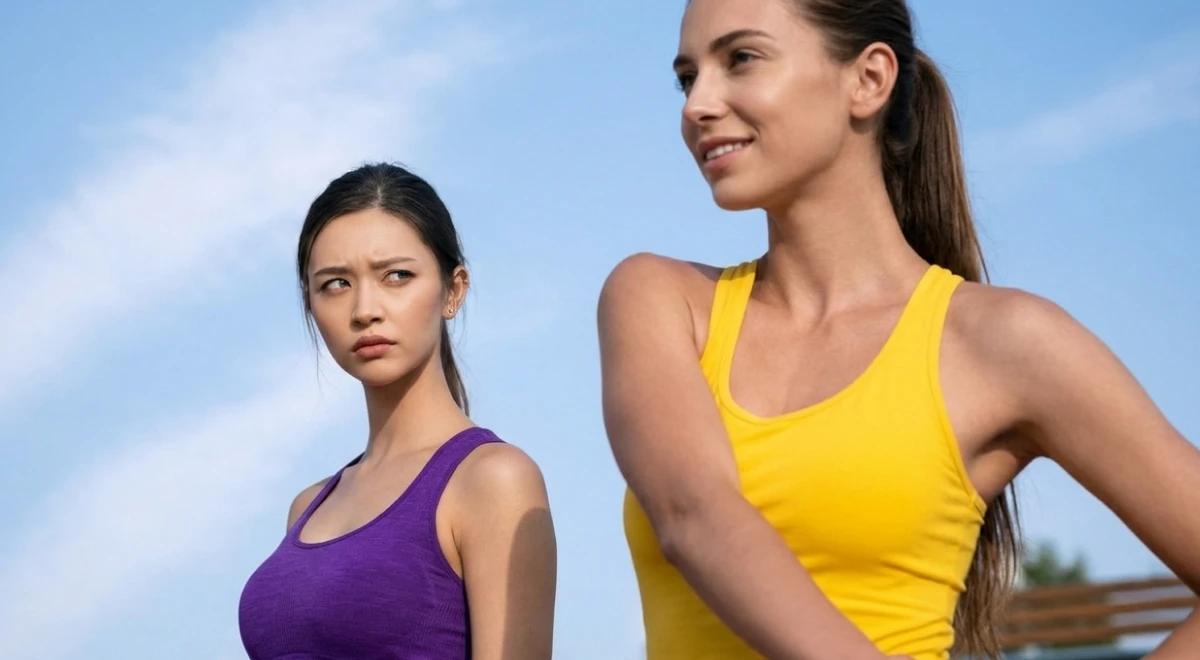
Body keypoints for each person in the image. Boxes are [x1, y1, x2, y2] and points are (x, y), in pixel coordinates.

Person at [598, 1, 1200, 658]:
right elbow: (695, 516)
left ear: (869, 80)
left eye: (740, 58)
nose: (697, 104)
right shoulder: (660, 300)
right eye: (688, 77)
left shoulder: (1005, 343)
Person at [239, 163, 556, 660]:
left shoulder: (492, 480)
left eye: (396, 276)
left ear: (453, 290)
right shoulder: (308, 507)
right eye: (336, 284)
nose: (365, 309)